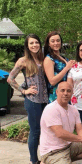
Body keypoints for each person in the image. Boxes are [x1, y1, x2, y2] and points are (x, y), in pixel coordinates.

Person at [7, 34, 48, 164]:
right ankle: (34, 160)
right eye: (31, 43)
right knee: (35, 131)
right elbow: (10, 78)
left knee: (46, 131)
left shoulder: (44, 59)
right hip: (33, 100)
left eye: (36, 42)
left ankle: (45, 158)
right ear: (27, 46)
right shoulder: (23, 61)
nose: (34, 45)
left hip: (46, 100)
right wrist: (24, 91)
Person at [39, 82, 82, 164]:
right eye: (62, 90)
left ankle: (64, 160)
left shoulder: (73, 109)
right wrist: (81, 139)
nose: (65, 93)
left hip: (68, 146)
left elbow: (80, 128)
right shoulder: (51, 109)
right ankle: (50, 161)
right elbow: (60, 133)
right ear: (57, 92)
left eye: (68, 91)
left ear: (72, 93)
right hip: (52, 152)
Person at [43, 31, 76, 103]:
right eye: (53, 41)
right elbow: (52, 81)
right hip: (56, 96)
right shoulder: (48, 59)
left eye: (58, 41)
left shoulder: (62, 57)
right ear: (49, 44)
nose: (56, 43)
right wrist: (67, 68)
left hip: (66, 94)